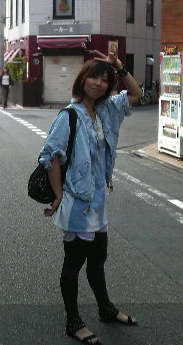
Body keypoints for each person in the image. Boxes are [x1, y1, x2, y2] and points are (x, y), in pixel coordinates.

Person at [38, 50, 143, 345]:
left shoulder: (106, 109)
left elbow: (136, 94)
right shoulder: (69, 116)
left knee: (98, 260)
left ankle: (105, 309)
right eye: (94, 77)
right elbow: (51, 157)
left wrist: (119, 66)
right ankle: (73, 321)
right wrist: (59, 195)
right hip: (77, 201)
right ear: (82, 79)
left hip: (98, 200)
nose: (98, 83)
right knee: (73, 264)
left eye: (104, 79)